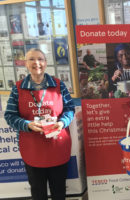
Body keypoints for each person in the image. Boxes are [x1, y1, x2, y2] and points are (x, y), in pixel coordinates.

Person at [4, 48, 75, 200]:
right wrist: (27, 125)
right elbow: (9, 115)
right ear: (25, 64)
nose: (36, 63)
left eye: (40, 59)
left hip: (58, 146)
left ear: (46, 63)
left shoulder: (58, 84)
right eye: (32, 59)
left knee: (59, 191)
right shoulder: (18, 88)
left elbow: (69, 109)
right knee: (37, 192)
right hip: (33, 149)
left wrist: (63, 122)